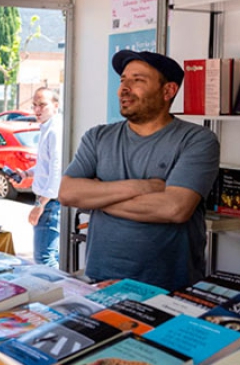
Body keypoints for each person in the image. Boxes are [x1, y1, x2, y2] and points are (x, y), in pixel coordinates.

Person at [59, 50, 220, 292]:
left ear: (168, 91)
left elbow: (174, 208)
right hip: (99, 279)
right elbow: (67, 193)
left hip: (169, 287)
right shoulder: (98, 137)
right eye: (123, 80)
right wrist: (143, 187)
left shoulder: (197, 140)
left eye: (138, 80)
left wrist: (96, 198)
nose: (124, 88)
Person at [13, 87, 62, 268]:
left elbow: (57, 172)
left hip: (50, 203)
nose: (37, 110)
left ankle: (58, 293)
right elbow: (46, 165)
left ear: (55, 106)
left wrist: (40, 205)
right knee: (51, 256)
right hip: (48, 202)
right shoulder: (47, 128)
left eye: (42, 105)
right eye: (34, 105)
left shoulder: (55, 131)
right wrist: (26, 173)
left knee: (44, 259)